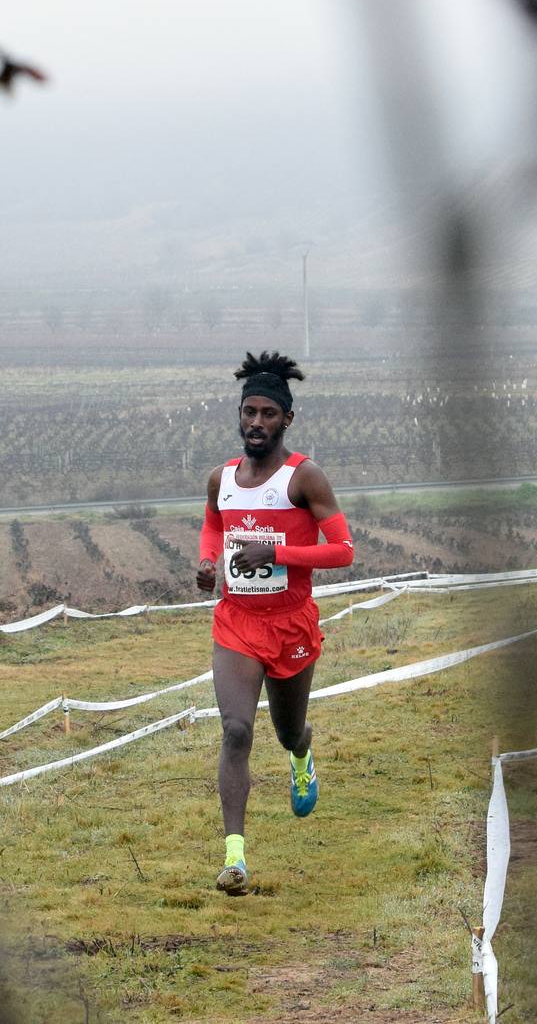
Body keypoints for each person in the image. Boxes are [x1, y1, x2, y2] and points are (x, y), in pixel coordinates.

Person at [196, 351, 354, 895]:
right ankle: (234, 858)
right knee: (236, 729)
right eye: (248, 412)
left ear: (286, 419)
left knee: (287, 730)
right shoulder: (222, 477)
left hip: (289, 625)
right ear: (239, 416)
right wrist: (207, 563)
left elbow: (343, 551)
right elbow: (214, 526)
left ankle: (302, 754)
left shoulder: (304, 478)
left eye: (268, 413)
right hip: (237, 623)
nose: (256, 423)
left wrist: (278, 552)